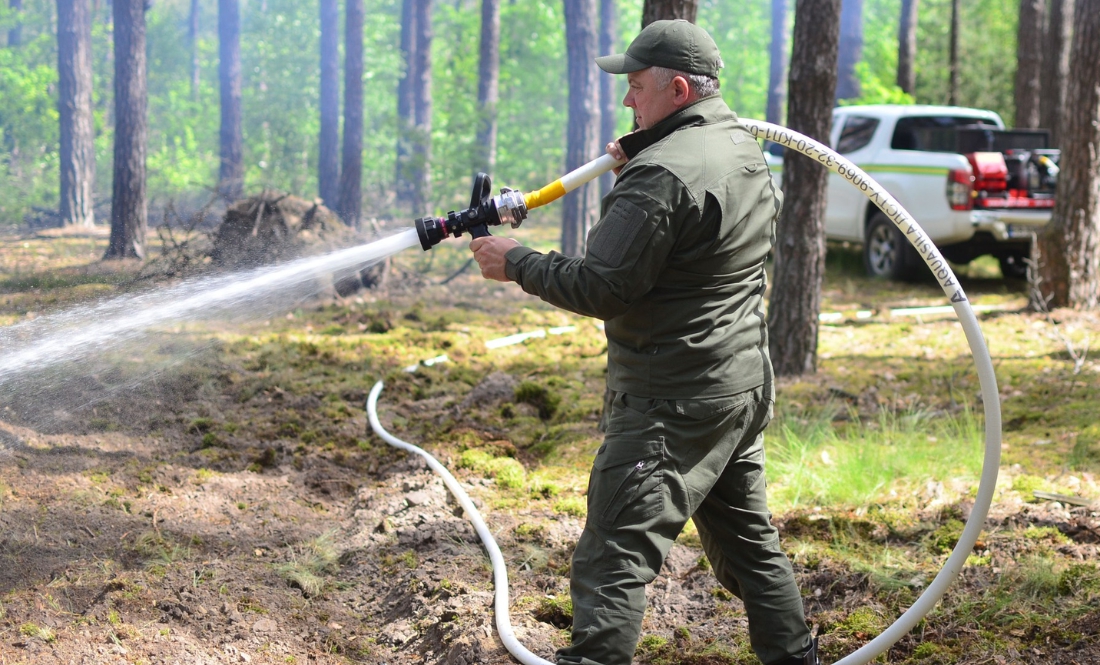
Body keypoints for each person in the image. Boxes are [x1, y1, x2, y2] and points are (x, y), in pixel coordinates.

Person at [470, 19, 819, 665]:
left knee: (614, 554)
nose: (628, 102)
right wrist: (646, 161)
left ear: (678, 88)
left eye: (635, 87)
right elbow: (693, 246)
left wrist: (516, 260)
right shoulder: (741, 149)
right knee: (748, 545)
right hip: (738, 385)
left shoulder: (660, 174)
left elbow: (604, 287)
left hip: (671, 399)